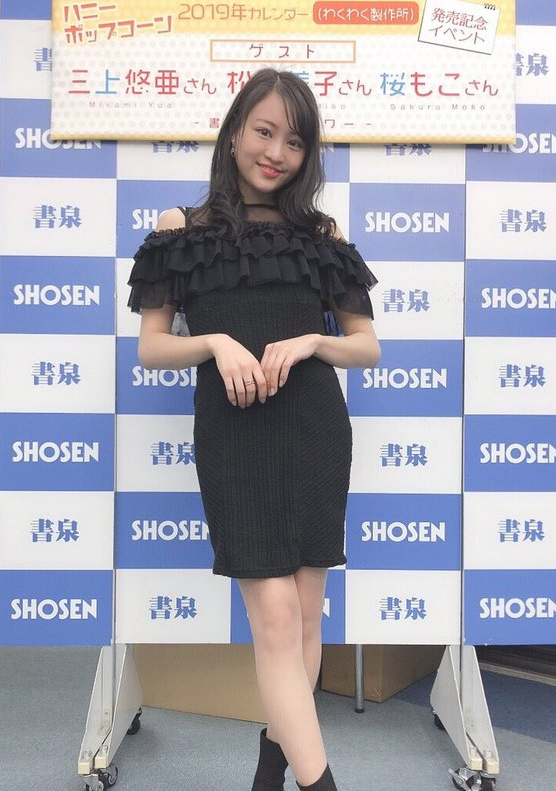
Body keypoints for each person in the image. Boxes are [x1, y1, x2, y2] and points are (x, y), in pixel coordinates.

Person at [127, 68, 380, 791]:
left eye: (294, 142)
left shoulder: (320, 234)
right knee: (274, 619)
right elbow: (151, 347)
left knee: (305, 619)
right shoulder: (181, 228)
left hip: (314, 429)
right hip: (235, 436)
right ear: (235, 131)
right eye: (264, 132)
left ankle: (271, 772)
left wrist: (313, 340)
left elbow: (366, 347)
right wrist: (213, 343)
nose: (276, 153)